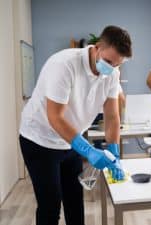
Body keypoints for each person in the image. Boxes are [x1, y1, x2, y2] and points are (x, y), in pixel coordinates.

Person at [19, 25, 132, 225]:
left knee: (74, 200)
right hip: (39, 140)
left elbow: (112, 116)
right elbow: (55, 117)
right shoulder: (64, 65)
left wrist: (114, 151)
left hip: (70, 141)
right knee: (50, 204)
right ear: (97, 47)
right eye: (108, 62)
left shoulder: (112, 74)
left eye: (116, 65)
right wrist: (88, 151)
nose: (111, 68)